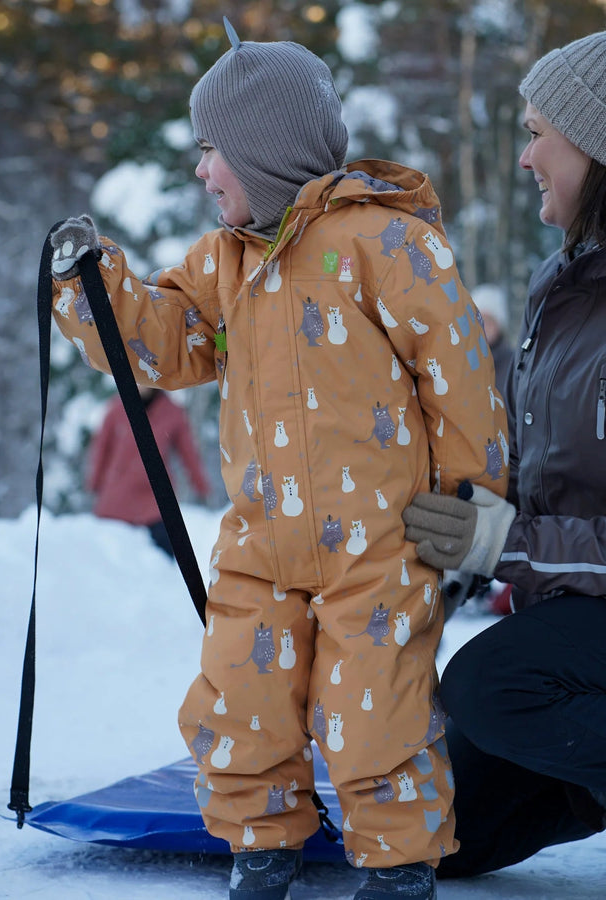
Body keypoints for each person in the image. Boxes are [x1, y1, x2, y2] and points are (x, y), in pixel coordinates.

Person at [48, 18, 506, 900]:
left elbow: (461, 381)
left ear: (263, 151)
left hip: (380, 546)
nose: (200, 169)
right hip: (260, 544)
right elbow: (162, 344)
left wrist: (473, 515)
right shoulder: (224, 264)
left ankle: (399, 864)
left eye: (210, 149)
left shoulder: (387, 244)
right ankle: (261, 845)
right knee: (239, 700)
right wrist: (92, 286)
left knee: (378, 713)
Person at [402, 30, 606, 881]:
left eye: (537, 134)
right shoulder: (560, 289)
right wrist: (450, 534)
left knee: (496, 686)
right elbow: (535, 461)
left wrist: (504, 544)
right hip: (578, 613)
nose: (524, 158)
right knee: (446, 833)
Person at [86, 386, 211, 558]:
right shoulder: (116, 408)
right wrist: (94, 483)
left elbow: (188, 454)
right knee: (109, 556)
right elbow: (101, 449)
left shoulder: (172, 412)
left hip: (154, 497)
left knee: (169, 556)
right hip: (118, 495)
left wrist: (201, 486)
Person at [470, 283, 513, 401]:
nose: (483, 326)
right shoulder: (464, 359)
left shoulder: (512, 362)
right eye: (479, 320)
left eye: (489, 321)